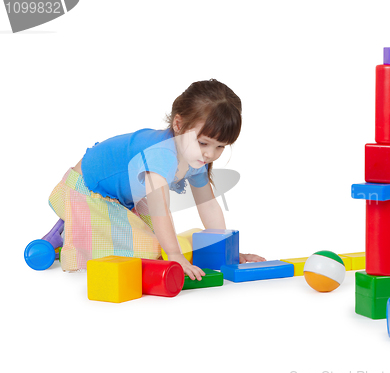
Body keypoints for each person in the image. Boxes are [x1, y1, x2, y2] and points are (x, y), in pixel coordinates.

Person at [48, 79, 265, 280]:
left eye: (220, 147)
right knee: (149, 251)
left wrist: (229, 254)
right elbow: (160, 210)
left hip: (126, 196)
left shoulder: (196, 157)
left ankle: (72, 229)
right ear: (178, 125)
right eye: (203, 143)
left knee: (156, 245)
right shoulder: (160, 156)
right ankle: (69, 232)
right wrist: (174, 255)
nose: (211, 154)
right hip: (89, 189)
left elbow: (208, 205)